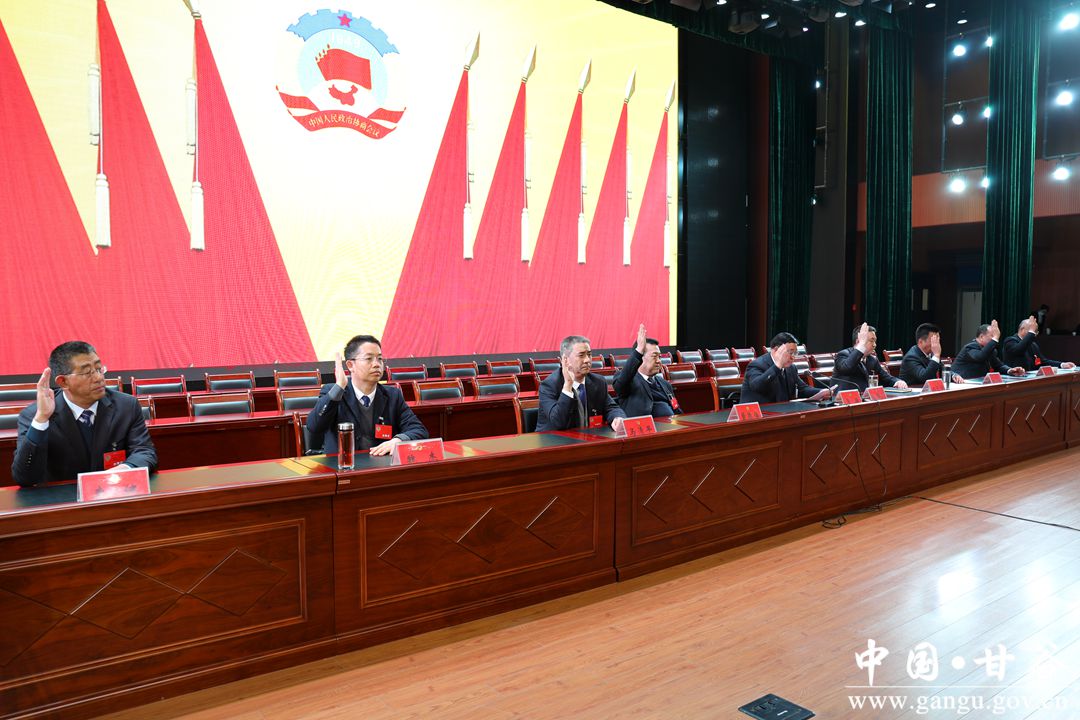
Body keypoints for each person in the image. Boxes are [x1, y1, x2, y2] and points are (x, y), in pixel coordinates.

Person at [12, 341, 157, 487]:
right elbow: (24, 477)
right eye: (87, 372)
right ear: (63, 382)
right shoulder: (34, 415)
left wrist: (122, 470)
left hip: (114, 491)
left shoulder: (126, 406)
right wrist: (42, 419)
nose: (99, 378)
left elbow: (144, 452)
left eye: (99, 369)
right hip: (63, 498)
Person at [307, 334, 428, 456]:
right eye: (369, 359)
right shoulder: (334, 393)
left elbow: (419, 429)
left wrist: (398, 440)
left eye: (379, 359)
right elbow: (314, 427)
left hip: (380, 463)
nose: (376, 364)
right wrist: (339, 387)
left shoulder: (392, 395)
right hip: (342, 464)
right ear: (350, 365)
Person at [537, 335, 626, 432]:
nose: (587, 360)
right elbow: (559, 422)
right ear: (566, 360)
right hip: (554, 439)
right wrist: (568, 386)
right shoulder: (549, 385)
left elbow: (611, 408)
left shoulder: (598, 382)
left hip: (588, 437)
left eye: (589, 354)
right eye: (581, 355)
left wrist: (617, 418)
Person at [740, 332, 831, 405]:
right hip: (758, 414)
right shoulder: (757, 365)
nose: (793, 357)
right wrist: (777, 366)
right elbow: (757, 386)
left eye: (795, 353)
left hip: (782, 412)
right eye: (790, 353)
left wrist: (823, 392)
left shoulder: (791, 368)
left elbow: (802, 389)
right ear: (776, 350)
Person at [613, 324, 681, 418]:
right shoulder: (629, 381)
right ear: (641, 357)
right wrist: (639, 351)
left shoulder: (664, 384)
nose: (658, 361)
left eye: (659, 357)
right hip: (645, 426)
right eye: (654, 356)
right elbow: (621, 382)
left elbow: (676, 409)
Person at [832, 323, 909, 392]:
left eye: (875, 341)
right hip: (844, 400)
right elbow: (847, 368)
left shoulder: (872, 359)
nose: (874, 345)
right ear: (858, 342)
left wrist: (897, 382)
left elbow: (886, 378)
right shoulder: (843, 355)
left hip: (865, 399)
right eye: (871, 341)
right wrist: (861, 345)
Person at [951, 320, 1026, 380]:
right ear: (981, 337)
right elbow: (981, 356)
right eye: (992, 336)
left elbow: (998, 366)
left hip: (978, 384)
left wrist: (1010, 370)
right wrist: (995, 338)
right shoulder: (970, 347)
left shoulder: (991, 350)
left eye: (995, 336)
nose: (995, 339)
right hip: (961, 383)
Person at [1002, 315, 1076, 372]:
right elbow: (1019, 350)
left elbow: (1042, 362)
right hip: (1015, 377)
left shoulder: (1033, 344)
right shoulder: (1010, 341)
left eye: (1036, 331)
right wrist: (1031, 332)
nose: (1035, 334)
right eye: (1032, 330)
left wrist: (1062, 364)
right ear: (1022, 329)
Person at [900, 323, 964, 386]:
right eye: (933, 341)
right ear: (921, 342)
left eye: (937, 340)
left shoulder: (931, 354)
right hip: (914, 391)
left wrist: (953, 375)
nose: (937, 344)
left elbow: (942, 370)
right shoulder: (911, 357)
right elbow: (925, 378)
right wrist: (936, 356)